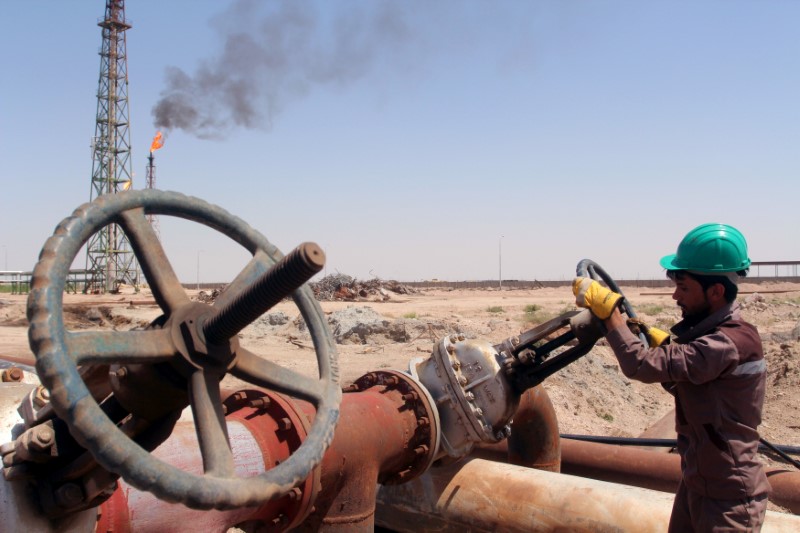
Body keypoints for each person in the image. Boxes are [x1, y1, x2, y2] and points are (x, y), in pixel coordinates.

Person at [573, 223, 770, 532]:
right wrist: (665, 346)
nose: (675, 295)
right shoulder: (716, 338)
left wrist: (610, 315)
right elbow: (685, 379)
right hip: (697, 487)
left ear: (716, 291)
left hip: (727, 501)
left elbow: (640, 365)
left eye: (684, 287)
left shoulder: (728, 343)